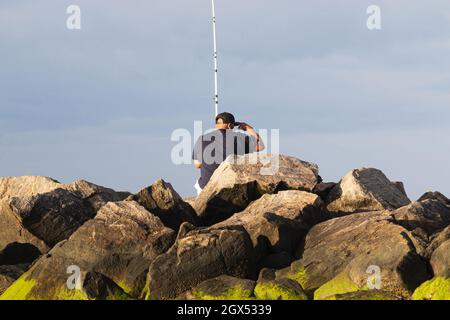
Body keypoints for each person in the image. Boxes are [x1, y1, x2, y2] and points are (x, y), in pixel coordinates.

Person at [192, 112, 265, 195]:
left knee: (199, 184)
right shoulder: (239, 138)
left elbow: (197, 164)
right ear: (230, 125)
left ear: (216, 125)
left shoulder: (201, 139)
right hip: (228, 187)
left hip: (205, 186)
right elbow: (261, 146)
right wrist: (248, 128)